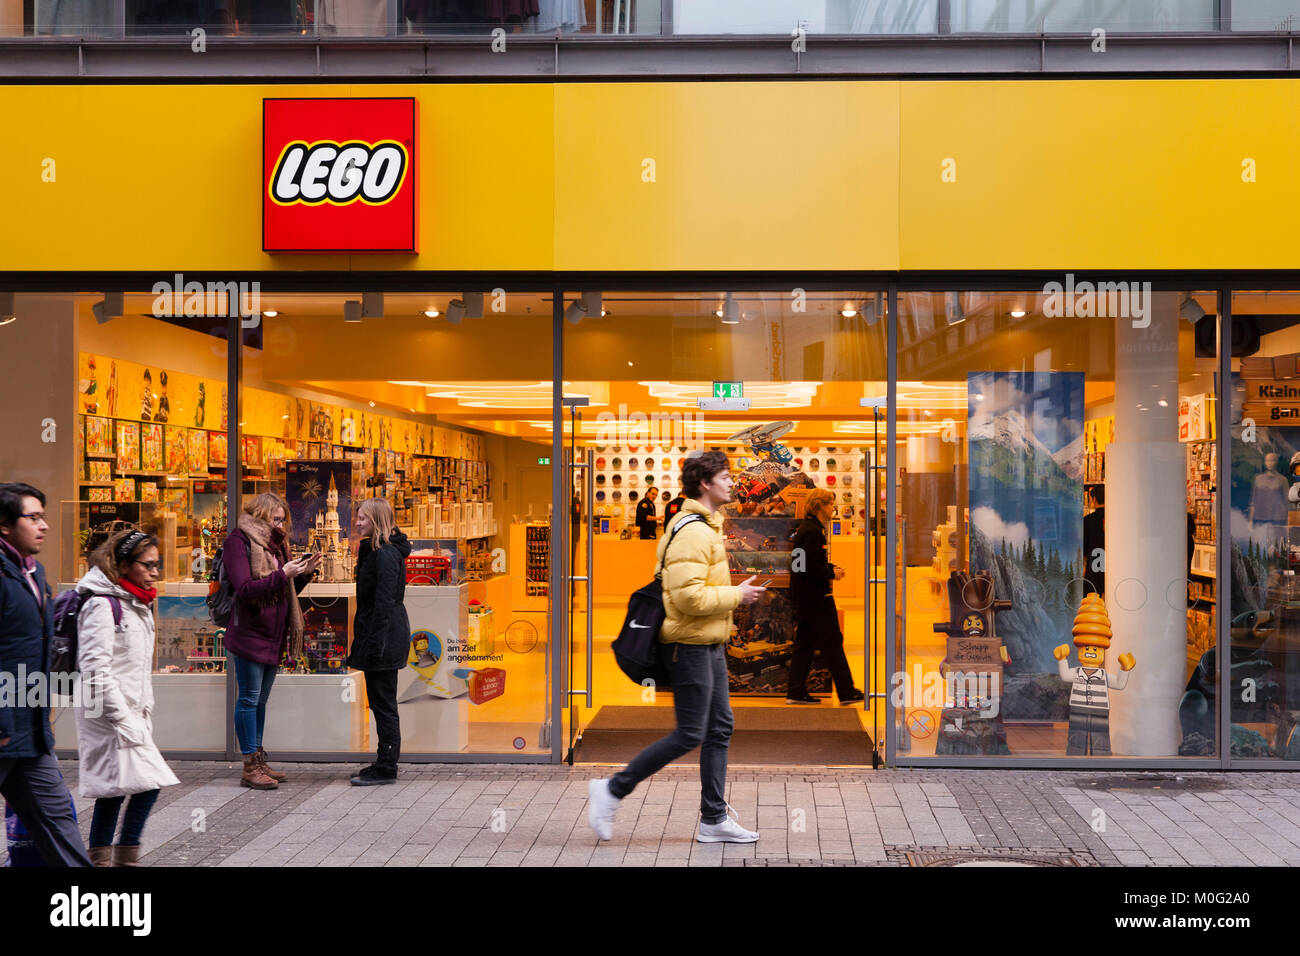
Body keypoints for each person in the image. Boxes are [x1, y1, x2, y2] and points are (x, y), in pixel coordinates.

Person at [588, 451, 765, 844]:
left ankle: (713, 819)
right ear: (705, 483)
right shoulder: (695, 531)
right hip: (690, 646)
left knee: (720, 727)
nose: (732, 482)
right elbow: (688, 598)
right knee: (691, 732)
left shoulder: (702, 525)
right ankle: (613, 789)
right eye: (725, 476)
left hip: (708, 643)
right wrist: (737, 595)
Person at [74, 528, 180, 866]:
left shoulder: (137, 602)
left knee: (117, 789)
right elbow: (94, 670)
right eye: (147, 565)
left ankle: (105, 860)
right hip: (109, 715)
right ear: (122, 565)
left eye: (157, 564)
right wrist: (121, 717)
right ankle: (120, 860)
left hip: (131, 711)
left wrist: (141, 709)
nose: (155, 571)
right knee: (145, 784)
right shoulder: (103, 605)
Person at [0, 483, 92, 866]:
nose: (45, 526)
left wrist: (44, 718)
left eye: (44, 516)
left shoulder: (34, 573)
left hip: (30, 735)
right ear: (5, 525)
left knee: (60, 827)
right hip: (5, 728)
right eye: (33, 517)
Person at [222, 491, 320, 789]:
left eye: (283, 519)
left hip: (274, 633)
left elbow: (283, 590)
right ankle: (250, 765)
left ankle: (259, 758)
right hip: (250, 631)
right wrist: (283, 574)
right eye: (275, 519)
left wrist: (303, 574)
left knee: (260, 700)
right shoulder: (239, 541)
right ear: (261, 516)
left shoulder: (277, 545)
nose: (280, 525)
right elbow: (246, 588)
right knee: (249, 698)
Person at [348, 497, 411, 786]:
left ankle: (387, 767)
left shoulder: (384, 555)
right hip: (380, 636)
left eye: (362, 518)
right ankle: (383, 761)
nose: (357, 522)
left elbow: (384, 603)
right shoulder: (376, 550)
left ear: (376, 520)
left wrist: (375, 644)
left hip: (384, 638)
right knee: (380, 702)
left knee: (383, 704)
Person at [786, 489, 864, 706]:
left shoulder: (809, 528)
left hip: (808, 597)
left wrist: (828, 567)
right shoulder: (812, 532)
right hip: (816, 598)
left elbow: (801, 564)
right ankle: (846, 692)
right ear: (820, 506)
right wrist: (831, 573)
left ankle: (795, 691)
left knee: (806, 644)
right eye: (830, 504)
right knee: (832, 642)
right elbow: (803, 567)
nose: (833, 509)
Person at [1250, 451, 1289, 527]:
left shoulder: (1282, 480)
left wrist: (1288, 522)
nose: (1269, 463)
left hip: (1277, 518)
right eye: (1267, 460)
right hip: (1260, 518)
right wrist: (1250, 521)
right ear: (1265, 462)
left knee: (1276, 538)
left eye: (1272, 460)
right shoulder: (1258, 479)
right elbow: (1253, 501)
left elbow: (1287, 502)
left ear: (1276, 462)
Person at [1082, 484, 1105, 598]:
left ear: (1094, 499)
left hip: (1094, 569)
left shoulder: (1088, 520)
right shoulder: (1116, 518)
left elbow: (1083, 550)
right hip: (1113, 568)